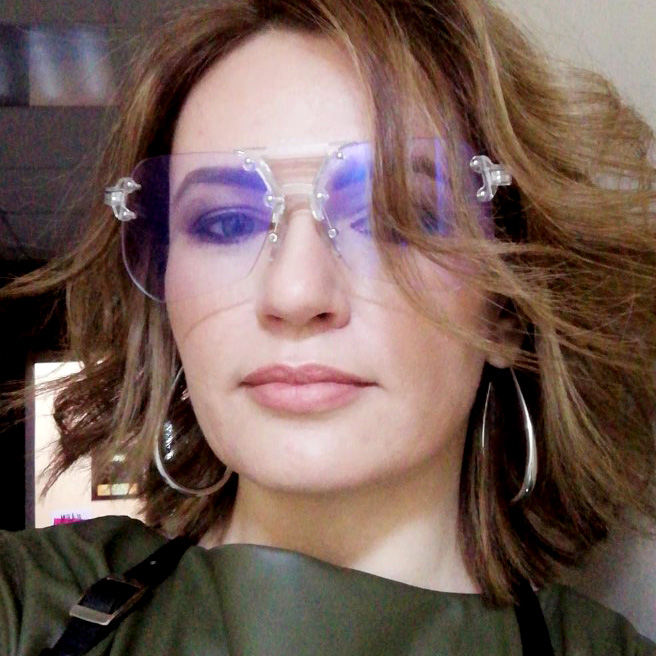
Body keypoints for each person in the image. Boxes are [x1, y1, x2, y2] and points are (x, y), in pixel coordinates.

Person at [1, 0, 655, 653]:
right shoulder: (27, 605)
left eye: (393, 219)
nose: (295, 293)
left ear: (505, 309)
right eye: (226, 223)